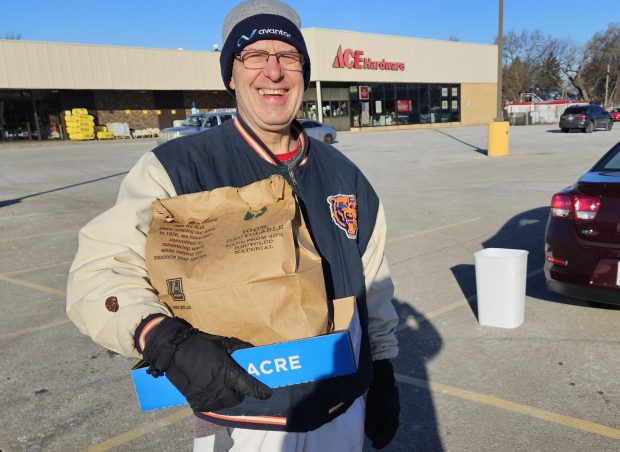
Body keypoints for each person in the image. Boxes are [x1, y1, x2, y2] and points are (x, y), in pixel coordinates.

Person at [66, 1, 400, 450]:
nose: (274, 71)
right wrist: (159, 337)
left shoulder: (346, 177)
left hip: (340, 408)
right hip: (238, 418)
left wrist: (383, 371)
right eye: (254, 56)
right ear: (230, 74)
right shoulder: (176, 169)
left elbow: (373, 284)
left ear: (304, 71)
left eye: (288, 56)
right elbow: (100, 271)